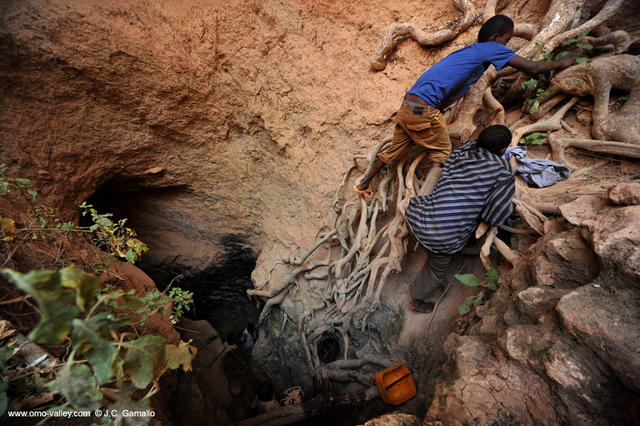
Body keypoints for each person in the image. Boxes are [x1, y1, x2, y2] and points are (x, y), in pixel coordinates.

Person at [354, 14, 574, 197]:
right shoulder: (490, 48)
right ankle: (425, 204)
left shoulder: (468, 52)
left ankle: (362, 185)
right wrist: (562, 62)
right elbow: (531, 68)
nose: (506, 47)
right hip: (424, 110)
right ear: (495, 37)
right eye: (506, 41)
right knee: (441, 153)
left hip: (408, 105)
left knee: (394, 150)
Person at [404, 124, 515, 313]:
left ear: (477, 141)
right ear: (504, 150)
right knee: (436, 270)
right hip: (442, 240)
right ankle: (417, 300)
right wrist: (510, 207)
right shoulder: (503, 171)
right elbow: (493, 215)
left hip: (416, 219)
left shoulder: (461, 152)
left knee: (435, 202)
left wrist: (482, 126)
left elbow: (473, 138)